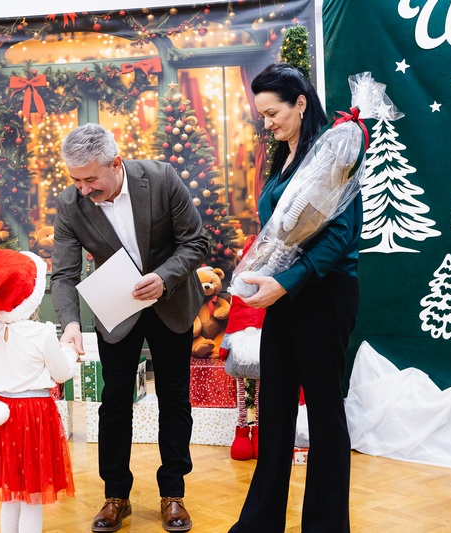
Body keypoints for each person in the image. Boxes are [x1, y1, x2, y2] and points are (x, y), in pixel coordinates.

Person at [51, 123, 209, 533]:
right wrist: (70, 324)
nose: (83, 189)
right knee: (115, 400)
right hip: (117, 309)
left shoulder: (161, 179)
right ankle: (115, 496)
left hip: (172, 299)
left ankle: (173, 493)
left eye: (91, 179)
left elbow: (196, 242)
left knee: (174, 398)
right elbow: (64, 274)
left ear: (116, 163)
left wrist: (164, 277)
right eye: (76, 180)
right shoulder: (70, 204)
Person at [228, 62, 362, 532]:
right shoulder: (283, 156)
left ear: (300, 103)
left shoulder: (332, 151)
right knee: (275, 406)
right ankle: (260, 523)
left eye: (273, 113)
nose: (266, 123)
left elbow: (340, 235)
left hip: (324, 293)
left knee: (324, 412)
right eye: (262, 115)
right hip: (282, 294)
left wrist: (285, 281)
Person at [0, 248, 79, 533]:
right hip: (35, 415)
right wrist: (69, 352)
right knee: (33, 494)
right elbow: (61, 373)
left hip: (3, 415)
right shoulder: (41, 333)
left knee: (10, 493)